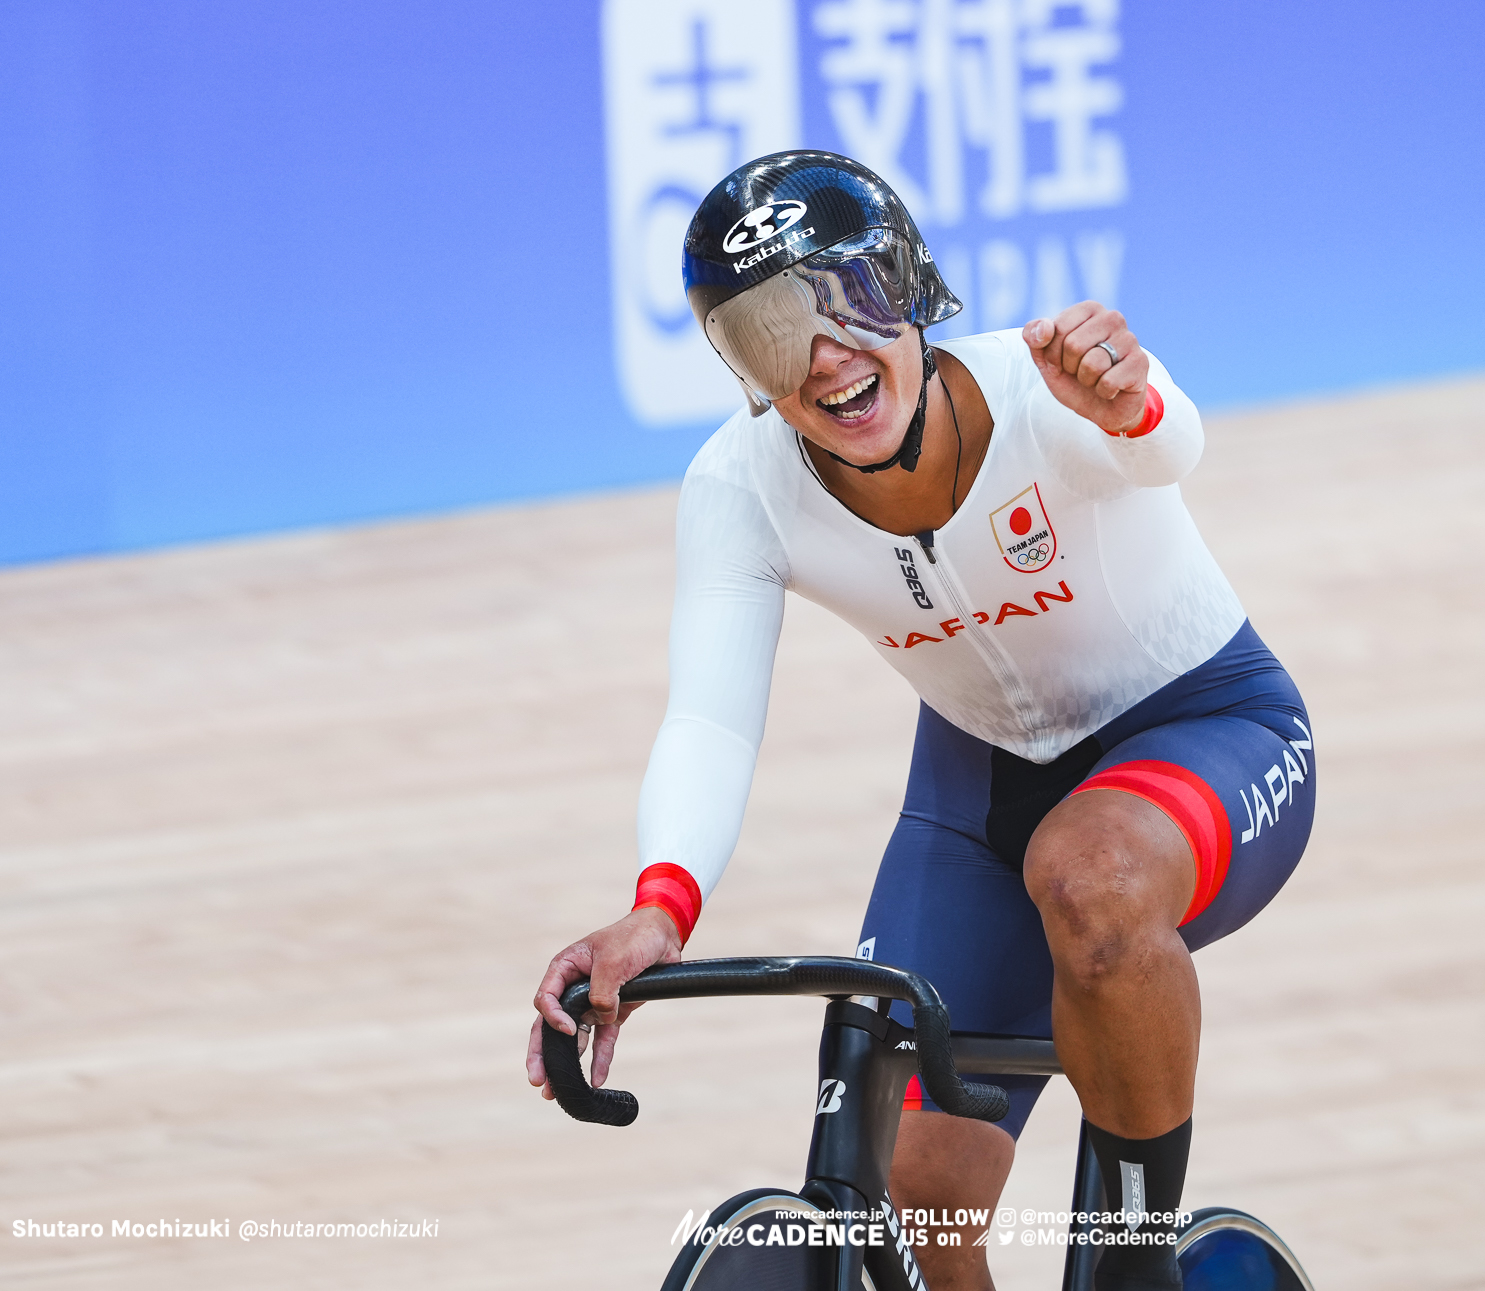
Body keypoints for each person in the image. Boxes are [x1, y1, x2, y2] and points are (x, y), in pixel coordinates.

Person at [525, 150, 1315, 1291]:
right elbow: (709, 717)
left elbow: (1169, 445)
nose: (826, 357)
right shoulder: (740, 487)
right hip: (978, 798)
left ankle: (1135, 1264)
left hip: (1211, 729)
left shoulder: (1045, 386)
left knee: (1088, 870)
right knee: (909, 1203)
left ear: (912, 287)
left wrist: (1130, 401)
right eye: (768, 335)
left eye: (847, 301)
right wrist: (658, 907)